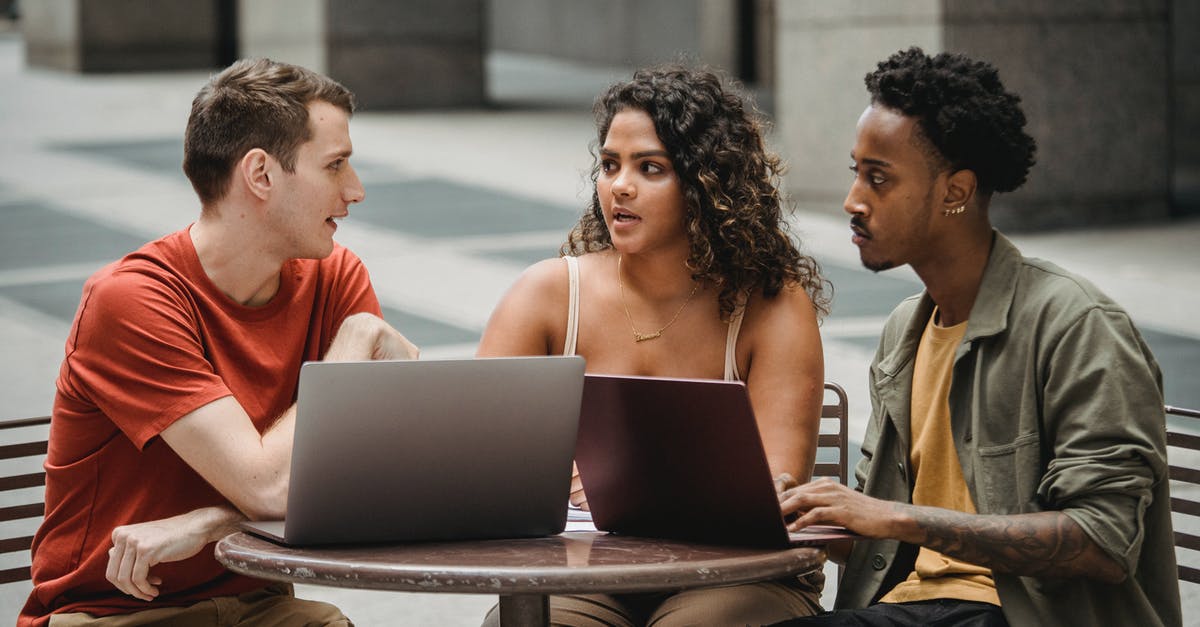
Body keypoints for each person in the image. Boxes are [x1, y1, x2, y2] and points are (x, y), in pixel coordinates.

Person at [772, 47, 1181, 627]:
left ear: (954, 192)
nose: (852, 201)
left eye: (879, 178)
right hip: (914, 608)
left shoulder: (1076, 324)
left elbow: (1104, 540)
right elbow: (880, 537)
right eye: (856, 172)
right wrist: (800, 515)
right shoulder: (903, 333)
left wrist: (895, 516)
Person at [20, 58, 419, 627]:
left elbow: (376, 482)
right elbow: (269, 487)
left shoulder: (334, 277)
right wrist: (351, 350)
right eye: (335, 166)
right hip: (114, 613)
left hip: (261, 607)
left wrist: (213, 523)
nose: (355, 191)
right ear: (260, 174)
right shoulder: (133, 301)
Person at [476, 65, 830, 626]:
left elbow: (775, 485)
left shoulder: (771, 306)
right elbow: (477, 449)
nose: (620, 185)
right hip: (584, 572)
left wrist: (618, 483)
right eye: (610, 164)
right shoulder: (547, 294)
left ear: (707, 184)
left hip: (735, 572)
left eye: (651, 168)